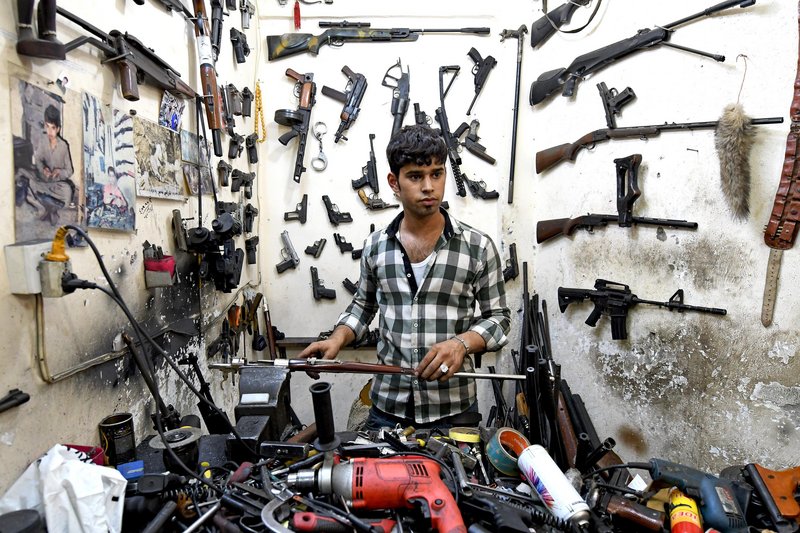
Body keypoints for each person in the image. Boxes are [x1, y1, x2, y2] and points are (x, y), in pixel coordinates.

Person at [298, 125, 511, 431]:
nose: (429, 187)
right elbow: (362, 307)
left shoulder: (477, 247)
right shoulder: (375, 246)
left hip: (453, 408)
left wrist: (462, 344)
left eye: (436, 174)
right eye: (415, 176)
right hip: (388, 406)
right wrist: (336, 338)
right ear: (393, 182)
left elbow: (500, 319)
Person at [31, 104, 75, 224]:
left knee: (67, 192)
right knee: (31, 183)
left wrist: (59, 172)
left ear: (58, 129)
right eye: (47, 126)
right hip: (45, 182)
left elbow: (70, 171)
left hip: (58, 185)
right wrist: (43, 169)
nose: (50, 131)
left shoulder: (64, 146)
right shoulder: (42, 140)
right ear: (45, 125)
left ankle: (48, 205)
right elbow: (38, 159)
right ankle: (47, 207)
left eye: (53, 128)